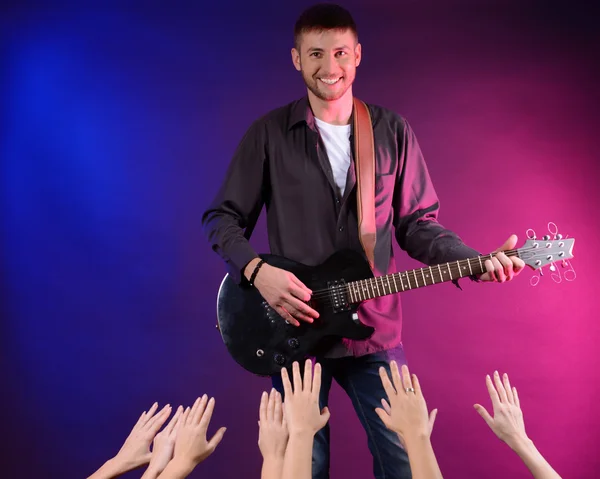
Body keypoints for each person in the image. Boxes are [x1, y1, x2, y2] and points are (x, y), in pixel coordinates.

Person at [201, 3, 524, 478]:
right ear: (296, 59)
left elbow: (418, 225)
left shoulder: (392, 131)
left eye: (339, 53)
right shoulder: (268, 135)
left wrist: (475, 260)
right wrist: (257, 272)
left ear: (357, 56)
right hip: (294, 332)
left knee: (406, 463)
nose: (328, 67)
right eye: (315, 54)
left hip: (373, 330)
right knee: (301, 469)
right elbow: (221, 219)